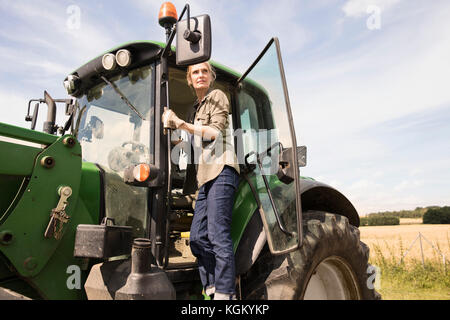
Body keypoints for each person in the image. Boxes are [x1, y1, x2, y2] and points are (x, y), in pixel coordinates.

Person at [162, 61, 240, 300]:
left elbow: (214, 133)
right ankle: (212, 286)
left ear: (210, 76)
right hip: (203, 178)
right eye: (195, 72)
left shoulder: (218, 96)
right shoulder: (193, 110)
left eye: (204, 71)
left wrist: (181, 124)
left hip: (221, 170)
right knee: (196, 238)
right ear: (189, 79)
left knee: (217, 234)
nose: (200, 75)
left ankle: (226, 294)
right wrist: (171, 134)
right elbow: (190, 143)